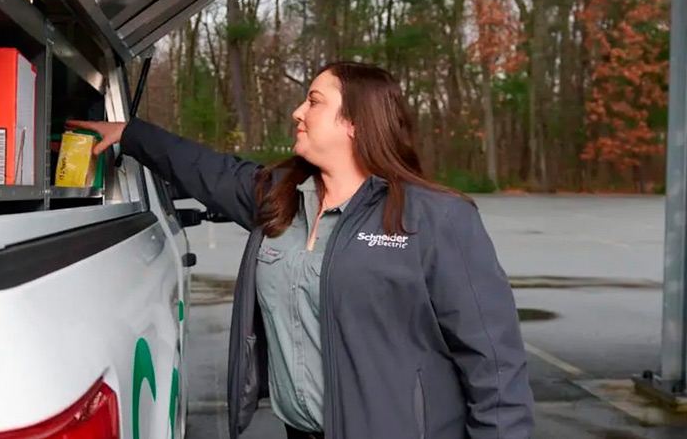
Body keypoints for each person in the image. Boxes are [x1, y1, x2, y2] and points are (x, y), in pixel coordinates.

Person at [67, 61, 535, 439]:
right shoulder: (280, 196)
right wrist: (130, 135)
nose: (297, 111)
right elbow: (207, 169)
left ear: (354, 122)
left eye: (313, 101)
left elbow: (494, 363)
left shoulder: (437, 219)